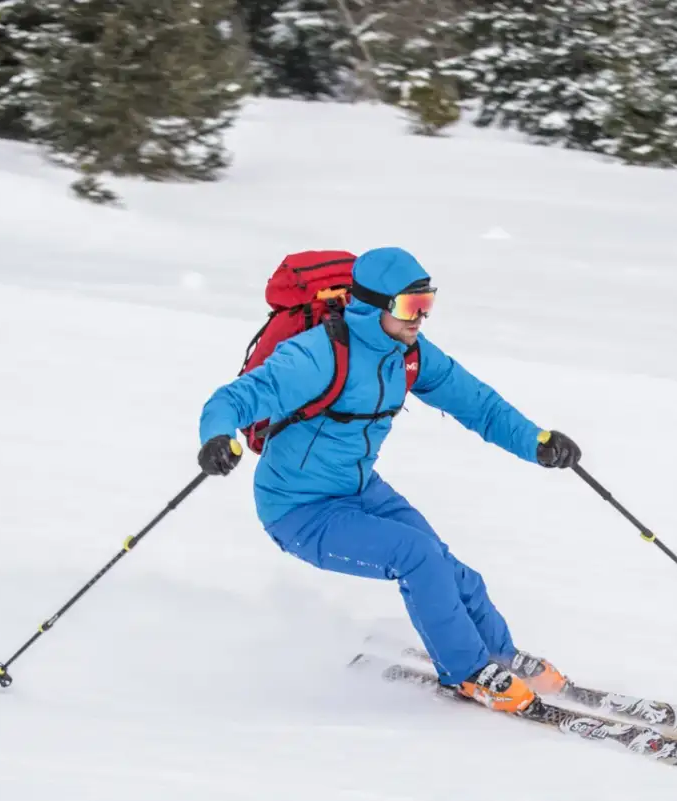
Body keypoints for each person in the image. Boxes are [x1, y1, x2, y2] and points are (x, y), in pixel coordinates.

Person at [196, 246, 582, 715]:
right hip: (297, 510)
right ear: (371, 305)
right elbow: (236, 398)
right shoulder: (317, 355)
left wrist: (536, 442)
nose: (420, 318)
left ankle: (500, 654)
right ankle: (468, 671)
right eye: (410, 306)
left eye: (427, 304)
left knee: (445, 562)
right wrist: (217, 437)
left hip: (359, 488)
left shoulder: (409, 353)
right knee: (417, 556)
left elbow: (478, 404)